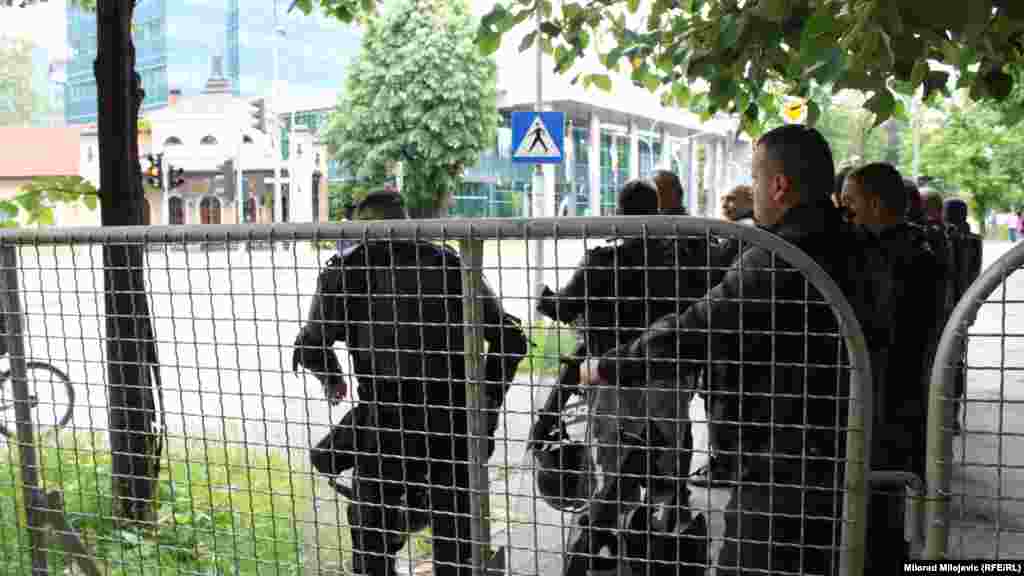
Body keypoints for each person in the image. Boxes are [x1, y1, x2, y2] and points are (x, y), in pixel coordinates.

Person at [581, 125, 888, 576]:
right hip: (847, 455)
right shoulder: (857, 243)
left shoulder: (784, 253)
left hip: (786, 467)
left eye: (757, 177)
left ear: (780, 185)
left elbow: (699, 328)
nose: (754, 190)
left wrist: (607, 367)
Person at [293, 190, 528, 576]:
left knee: (372, 540)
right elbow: (510, 338)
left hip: (386, 421)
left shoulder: (346, 272)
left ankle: (400, 532)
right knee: (456, 543)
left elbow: (311, 343)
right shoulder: (449, 264)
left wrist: (332, 380)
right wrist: (486, 402)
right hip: (449, 420)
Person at [534, 179, 711, 576]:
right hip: (669, 375)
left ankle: (610, 545)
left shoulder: (599, 262)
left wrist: (542, 296)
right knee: (669, 453)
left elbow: (563, 307)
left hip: (611, 376)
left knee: (614, 466)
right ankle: (665, 529)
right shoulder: (681, 263)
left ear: (617, 214)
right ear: (658, 213)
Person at [943, 198, 984, 434]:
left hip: (950, 306)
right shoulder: (973, 240)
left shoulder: (949, 239)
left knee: (951, 363)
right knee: (957, 362)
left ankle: (950, 416)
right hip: (964, 305)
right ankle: (953, 416)